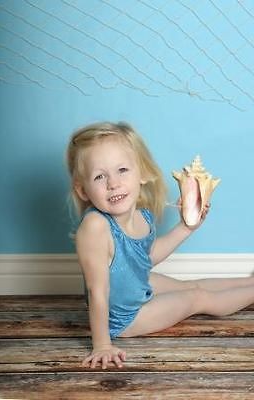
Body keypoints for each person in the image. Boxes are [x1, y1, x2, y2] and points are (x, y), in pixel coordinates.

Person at [67, 122, 254, 370]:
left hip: (136, 288)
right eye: (99, 176)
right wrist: (102, 344)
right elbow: (97, 292)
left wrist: (186, 228)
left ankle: (248, 282)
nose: (113, 183)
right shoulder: (95, 227)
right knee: (196, 297)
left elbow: (145, 259)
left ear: (142, 173)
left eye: (122, 169)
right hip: (123, 319)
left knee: (191, 284)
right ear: (83, 190)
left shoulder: (141, 216)